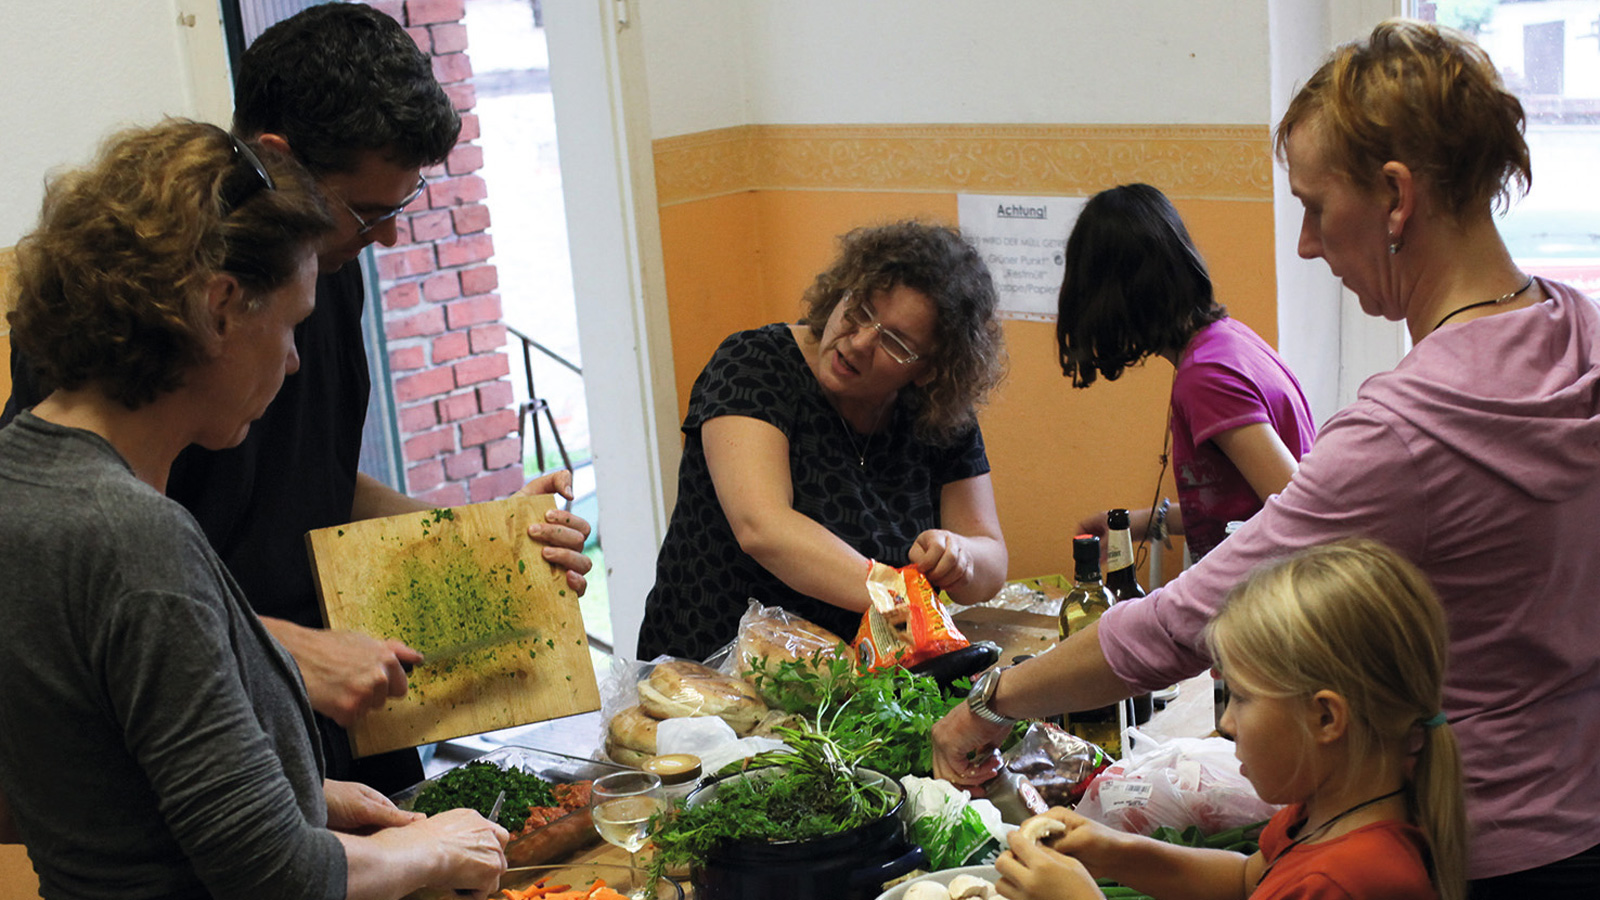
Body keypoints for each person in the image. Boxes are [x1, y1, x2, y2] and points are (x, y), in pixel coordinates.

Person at [933, 19, 1600, 896]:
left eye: (1317, 208)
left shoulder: (1410, 428)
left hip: (1487, 848)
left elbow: (1182, 623)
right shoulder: (1578, 327)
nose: (1306, 245)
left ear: (1396, 199)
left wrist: (990, 703)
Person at [1, 3, 592, 794]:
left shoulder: (329, 276)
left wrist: (485, 540)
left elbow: (312, 483)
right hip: (205, 742)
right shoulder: (121, 332)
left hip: (332, 716)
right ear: (218, 310)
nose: (385, 239)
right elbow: (77, 585)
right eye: (368, 211)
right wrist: (280, 647)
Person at [0, 120, 508, 900]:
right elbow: (279, 876)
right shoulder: (138, 540)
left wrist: (298, 794)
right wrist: (440, 846)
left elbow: (98, 775)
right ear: (220, 308)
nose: (297, 359)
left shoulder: (21, 477)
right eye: (293, 324)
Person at [995, 540, 1466, 900]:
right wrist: (1114, 850)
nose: (1226, 724)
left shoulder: (1343, 883)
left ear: (1325, 717)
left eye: (1240, 697)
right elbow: (1245, 879)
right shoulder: (1327, 811)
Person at [638, 221, 1008, 660]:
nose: (858, 342)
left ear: (929, 370)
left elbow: (991, 561)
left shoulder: (938, 413)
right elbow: (763, 528)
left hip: (857, 681)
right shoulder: (753, 365)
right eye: (861, 309)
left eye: (894, 341)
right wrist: (898, 598)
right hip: (713, 672)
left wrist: (961, 555)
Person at [1057, 184, 1315, 559]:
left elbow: (1296, 509)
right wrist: (1135, 522)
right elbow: (1236, 506)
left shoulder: (1206, 377)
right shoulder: (1228, 341)